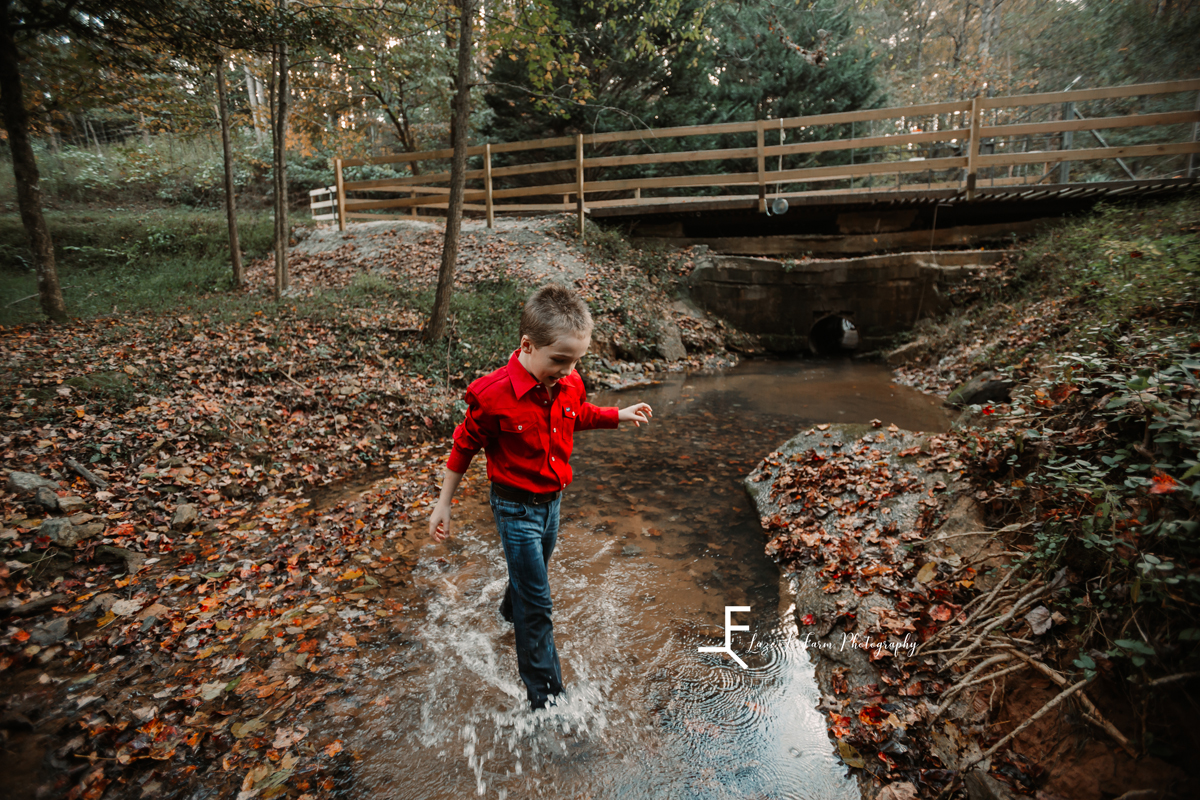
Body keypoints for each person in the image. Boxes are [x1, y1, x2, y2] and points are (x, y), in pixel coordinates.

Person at [427, 283, 652, 710]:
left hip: (552, 505)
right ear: (527, 345)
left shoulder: (568, 382)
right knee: (539, 603)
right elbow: (464, 445)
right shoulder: (492, 396)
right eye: (560, 361)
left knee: (532, 580)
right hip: (513, 508)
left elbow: (576, 415)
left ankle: (510, 609)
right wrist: (443, 503)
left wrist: (615, 416)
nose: (568, 371)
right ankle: (546, 701)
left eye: (576, 361)